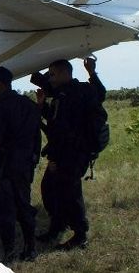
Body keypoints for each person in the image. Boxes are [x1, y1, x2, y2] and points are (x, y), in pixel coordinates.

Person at [33, 57, 106, 250]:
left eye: (52, 74)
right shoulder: (61, 94)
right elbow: (54, 121)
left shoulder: (80, 91)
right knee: (51, 189)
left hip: (74, 152)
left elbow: (100, 94)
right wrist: (42, 105)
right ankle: (57, 226)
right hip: (61, 151)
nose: (50, 79)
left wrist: (92, 72)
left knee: (70, 193)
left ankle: (80, 235)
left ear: (65, 73)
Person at [0, 65, 41, 262]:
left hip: (5, 169)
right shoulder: (29, 105)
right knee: (24, 207)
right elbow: (36, 139)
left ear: (0, 84)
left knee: (3, 212)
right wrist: (32, 162)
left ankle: (10, 253)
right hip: (24, 167)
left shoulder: (1, 109)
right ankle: (30, 248)